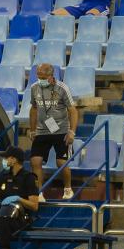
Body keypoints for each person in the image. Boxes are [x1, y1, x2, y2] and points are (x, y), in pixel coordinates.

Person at [29, 63, 78, 201]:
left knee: (61, 162)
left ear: (51, 76)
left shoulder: (62, 88)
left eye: (43, 77)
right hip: (42, 131)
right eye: (38, 76)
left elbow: (73, 110)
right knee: (35, 161)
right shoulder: (34, 88)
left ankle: (68, 189)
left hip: (61, 131)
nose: (40, 79)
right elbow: (33, 109)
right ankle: (39, 193)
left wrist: (72, 132)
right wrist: (32, 130)